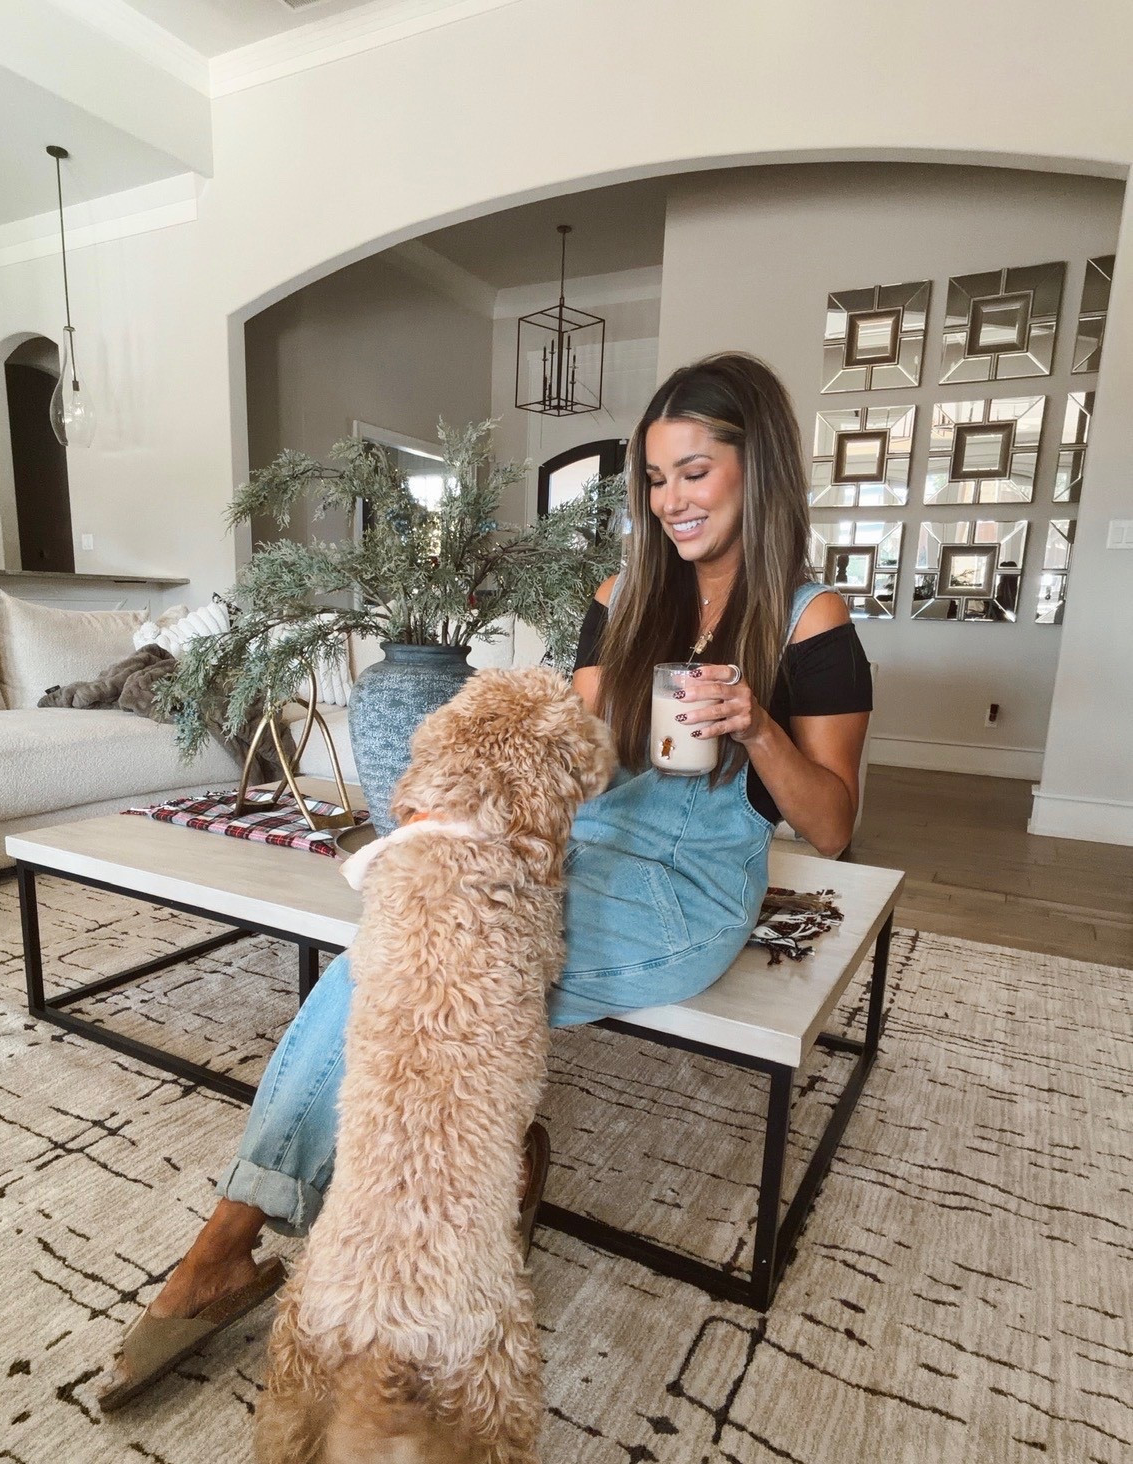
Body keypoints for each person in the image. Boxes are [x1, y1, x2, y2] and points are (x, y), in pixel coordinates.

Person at [98, 351, 872, 1409]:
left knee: (430, 976)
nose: (670, 500)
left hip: (684, 889)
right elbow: (571, 750)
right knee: (396, 948)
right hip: (580, 844)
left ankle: (249, 1238)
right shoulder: (626, 593)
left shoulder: (811, 621)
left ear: (758, 468)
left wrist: (759, 726)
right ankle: (257, 1230)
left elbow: (831, 826)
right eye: (654, 478)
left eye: (695, 471)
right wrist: (467, 808)